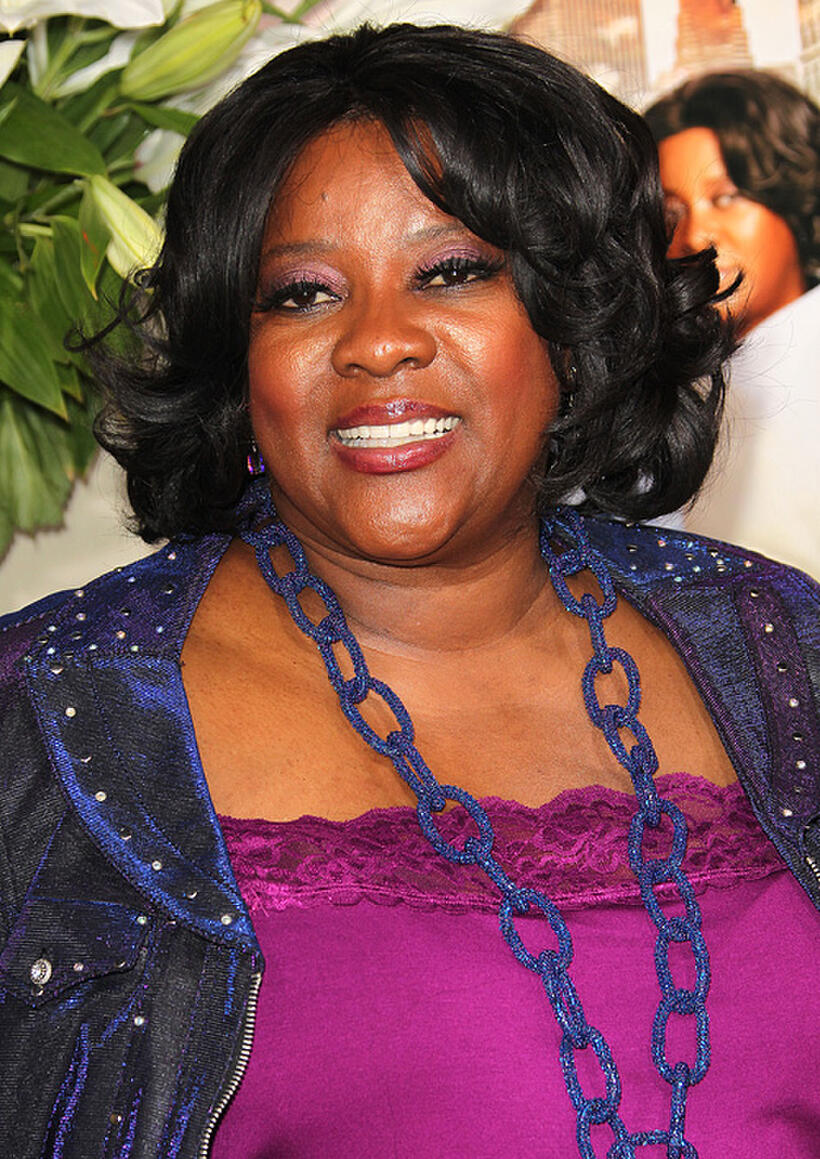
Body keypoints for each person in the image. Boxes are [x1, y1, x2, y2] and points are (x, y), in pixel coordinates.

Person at [0, 25, 817, 1159]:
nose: (377, 343)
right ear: (238, 364)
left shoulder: (782, 649)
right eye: (301, 294)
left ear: (571, 326)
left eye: (451, 271)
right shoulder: (48, 723)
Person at [645, 71, 820, 575]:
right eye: (671, 213)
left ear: (794, 202)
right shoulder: (682, 384)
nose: (696, 236)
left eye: (726, 198)